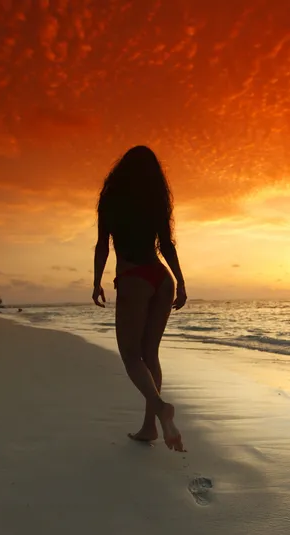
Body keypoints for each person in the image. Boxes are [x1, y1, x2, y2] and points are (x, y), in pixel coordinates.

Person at [92, 146, 187, 451]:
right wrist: (181, 282)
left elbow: (102, 246)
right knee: (150, 354)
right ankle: (149, 428)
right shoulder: (156, 201)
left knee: (131, 355)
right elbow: (167, 246)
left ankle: (160, 409)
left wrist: (96, 282)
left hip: (134, 278)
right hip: (161, 279)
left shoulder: (110, 201)